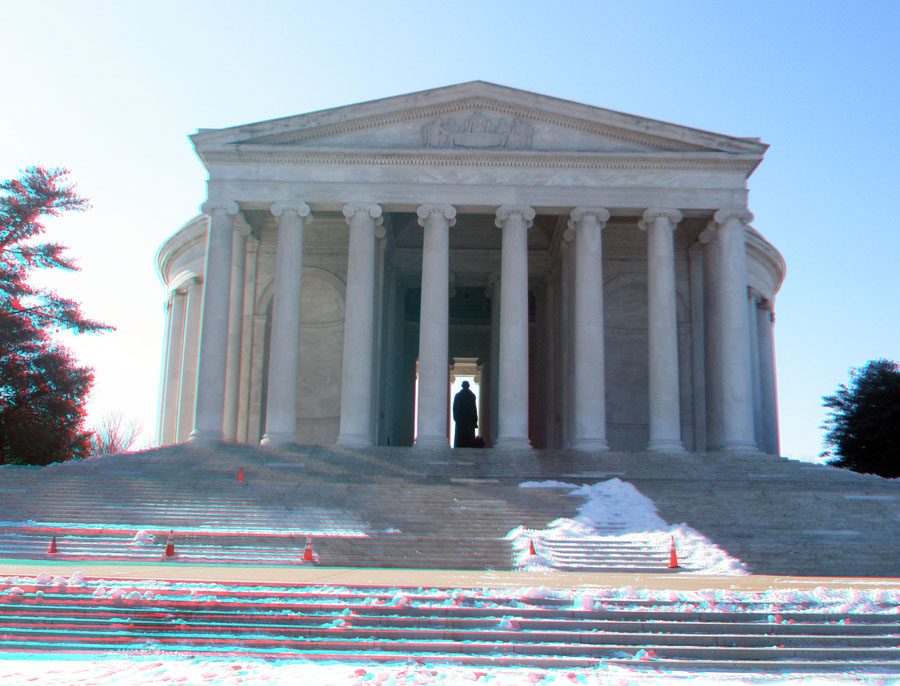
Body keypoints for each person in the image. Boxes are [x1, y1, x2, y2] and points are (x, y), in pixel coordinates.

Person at [452, 381, 478, 448]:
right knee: (468, 434)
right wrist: (475, 418)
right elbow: (474, 408)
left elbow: (455, 407)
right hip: (468, 418)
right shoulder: (471, 396)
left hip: (462, 418)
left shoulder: (458, 395)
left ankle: (461, 444)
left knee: (461, 434)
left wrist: (455, 417)